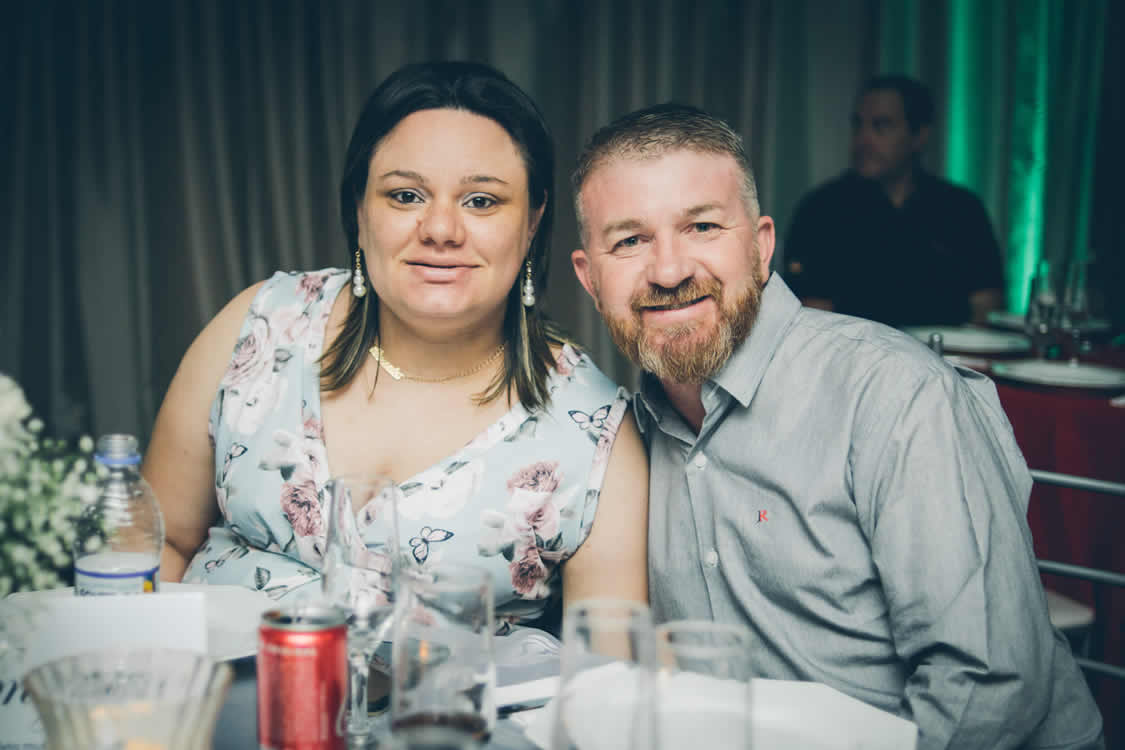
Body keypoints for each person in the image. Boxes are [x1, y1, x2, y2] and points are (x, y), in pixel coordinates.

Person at [570, 103, 1102, 749]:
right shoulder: (617, 439)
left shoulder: (895, 395)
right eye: (629, 241)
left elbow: (988, 689)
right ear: (589, 279)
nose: (669, 270)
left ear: (761, 247)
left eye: (702, 227)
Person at [143, 61, 649, 628]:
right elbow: (158, 543)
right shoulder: (262, 324)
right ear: (360, 211)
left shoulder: (595, 433)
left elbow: (606, 668)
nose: (440, 230)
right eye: (406, 196)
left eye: (481, 201)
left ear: (532, 222)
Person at [783, 75, 1005, 328]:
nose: (864, 139)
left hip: (946, 351)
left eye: (881, 126)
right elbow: (812, 319)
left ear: (919, 136)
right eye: (858, 125)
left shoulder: (960, 210)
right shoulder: (822, 210)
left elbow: (986, 308)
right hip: (854, 351)